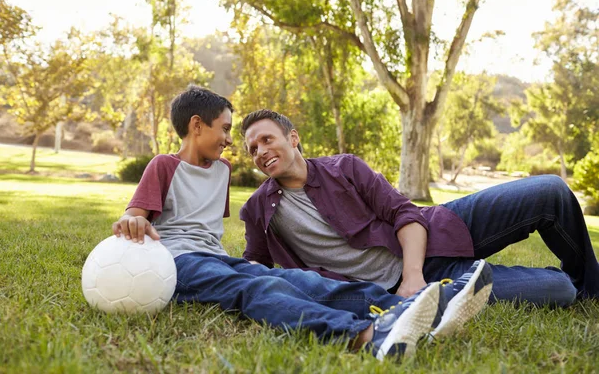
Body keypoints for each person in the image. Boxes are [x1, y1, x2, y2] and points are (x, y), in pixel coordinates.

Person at [110, 86, 493, 361]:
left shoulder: (221, 171)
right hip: (176, 262)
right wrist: (131, 221)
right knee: (253, 289)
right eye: (224, 129)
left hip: (214, 258)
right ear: (196, 126)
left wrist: (249, 262)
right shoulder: (164, 165)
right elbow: (135, 214)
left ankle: (409, 308)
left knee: (299, 281)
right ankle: (365, 334)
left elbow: (212, 231)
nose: (230, 141)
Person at [240, 109, 599, 307]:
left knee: (549, 190)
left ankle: (593, 287)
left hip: (439, 231)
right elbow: (255, 264)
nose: (260, 151)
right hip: (415, 287)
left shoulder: (344, 168)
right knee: (560, 290)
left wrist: (413, 274)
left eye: (266, 139)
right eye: (252, 148)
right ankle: (573, 286)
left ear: (293, 138)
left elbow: (405, 214)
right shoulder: (259, 208)